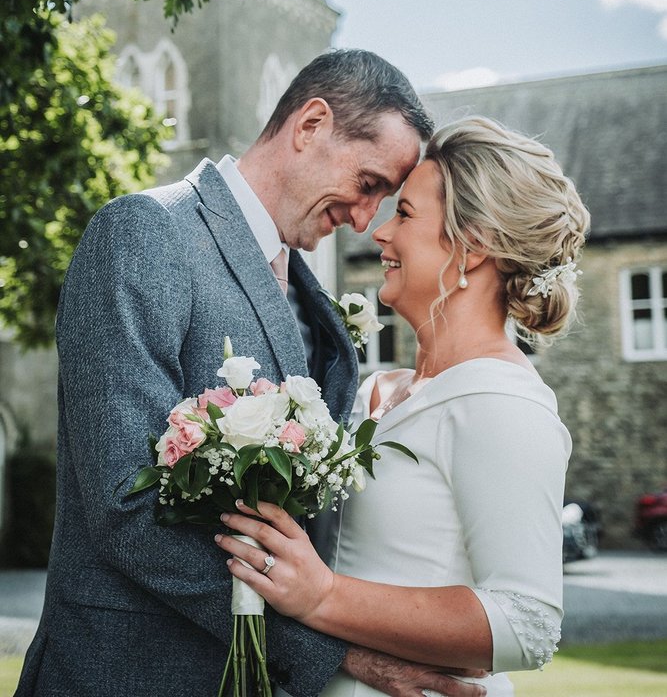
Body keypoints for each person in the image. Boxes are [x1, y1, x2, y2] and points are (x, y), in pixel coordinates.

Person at [16, 50, 487, 697]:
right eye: (368, 183)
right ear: (311, 125)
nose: (363, 219)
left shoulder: (310, 297)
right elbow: (127, 505)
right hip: (127, 673)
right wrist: (332, 650)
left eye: (384, 200)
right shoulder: (144, 233)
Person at [216, 115, 591, 697]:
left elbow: (527, 623)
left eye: (407, 214)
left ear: (472, 246)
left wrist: (324, 596)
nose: (380, 232)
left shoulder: (502, 403)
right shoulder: (376, 390)